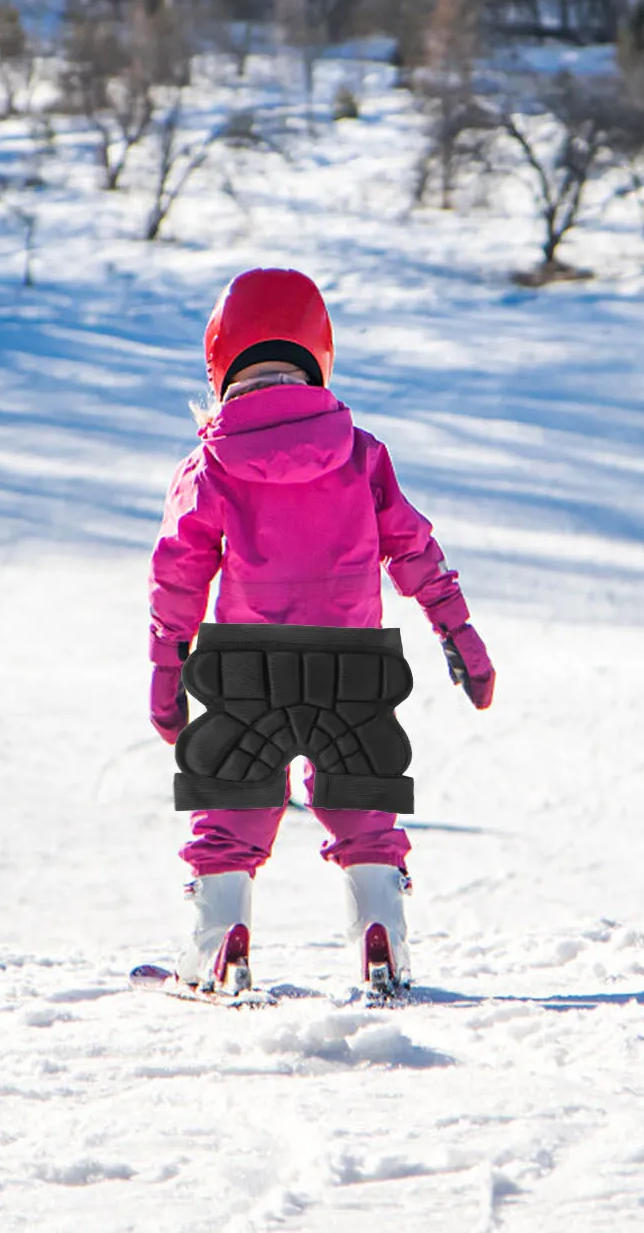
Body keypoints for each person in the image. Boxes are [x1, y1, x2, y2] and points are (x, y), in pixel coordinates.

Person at [147, 268, 495, 993]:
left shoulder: (209, 464)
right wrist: (456, 630)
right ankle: (381, 940)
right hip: (353, 662)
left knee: (233, 805)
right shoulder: (363, 454)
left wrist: (168, 667)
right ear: (320, 351)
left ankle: (219, 946)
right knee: (362, 801)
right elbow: (414, 548)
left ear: (219, 358)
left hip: (247, 666)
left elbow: (178, 572)